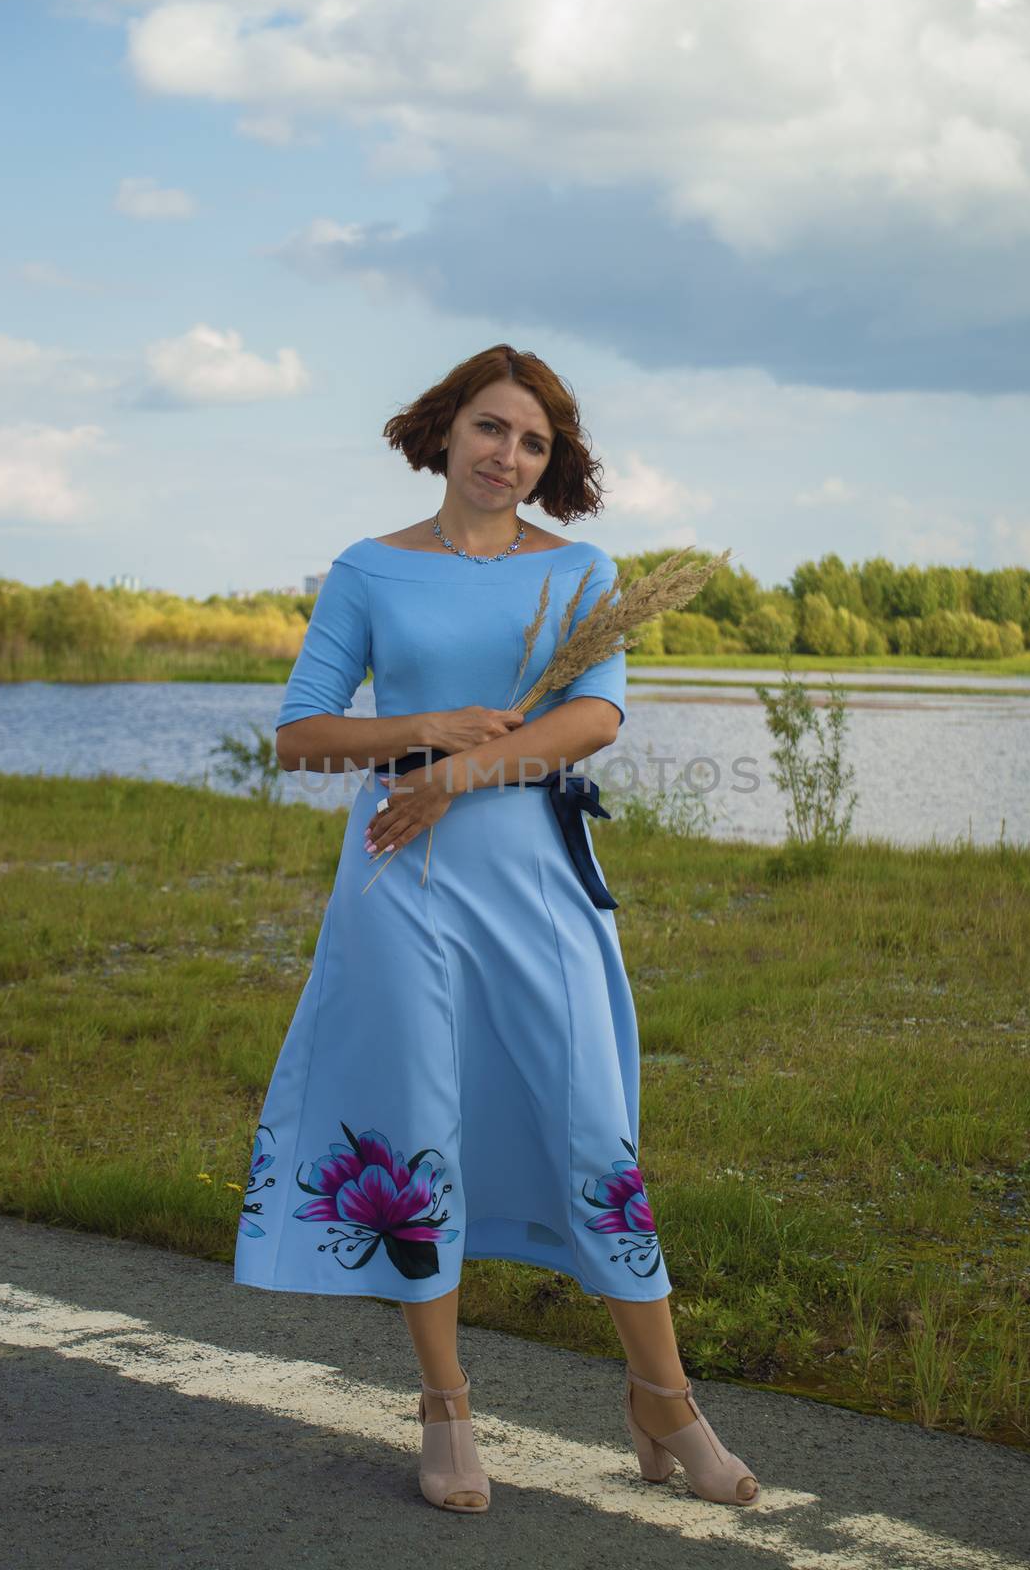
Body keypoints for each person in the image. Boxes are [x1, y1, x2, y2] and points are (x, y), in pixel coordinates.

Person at [233, 343, 759, 1512]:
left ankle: (663, 1399)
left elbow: (596, 715)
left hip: (535, 878)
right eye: (488, 428)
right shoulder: (369, 569)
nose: (504, 456)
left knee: (591, 1130)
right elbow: (302, 734)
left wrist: (458, 773)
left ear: (548, 460)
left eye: (530, 442)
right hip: (400, 886)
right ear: (445, 428)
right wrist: (417, 728)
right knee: (420, 1125)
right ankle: (445, 1406)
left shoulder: (579, 571)